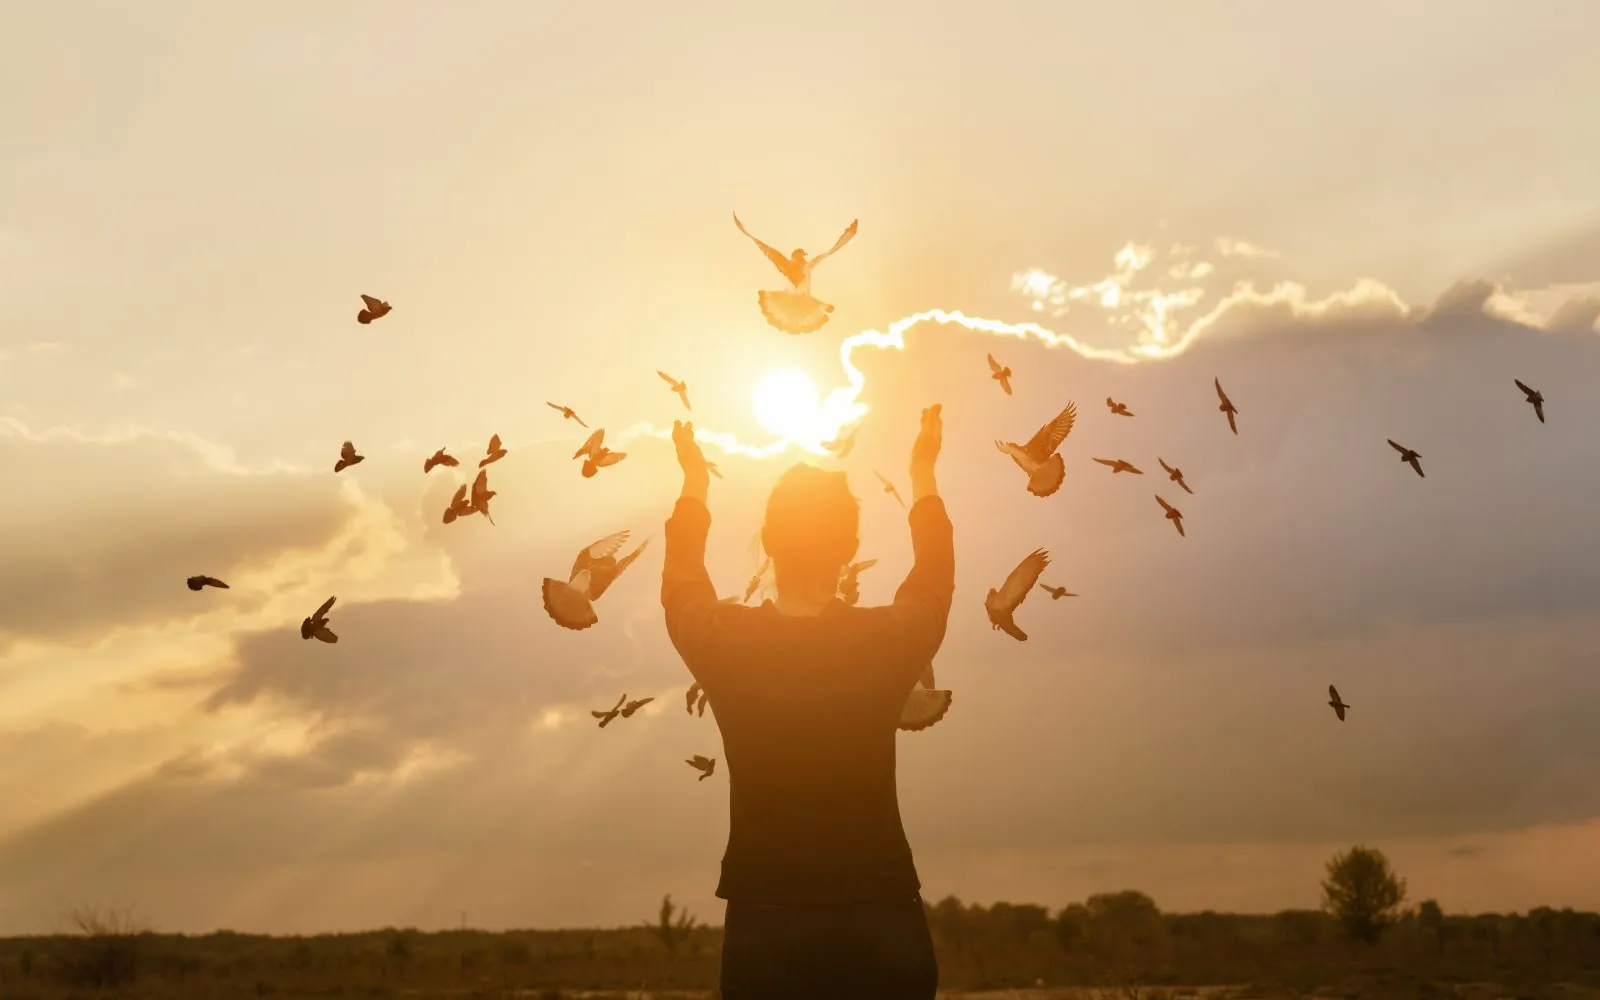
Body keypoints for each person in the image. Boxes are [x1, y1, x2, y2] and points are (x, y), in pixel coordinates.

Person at [661, 404, 953, 1000]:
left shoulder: (724, 641)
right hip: (881, 912)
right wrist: (923, 471)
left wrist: (694, 481)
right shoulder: (887, 639)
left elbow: (681, 580)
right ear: (850, 547)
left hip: (767, 921)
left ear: (769, 542)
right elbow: (934, 575)